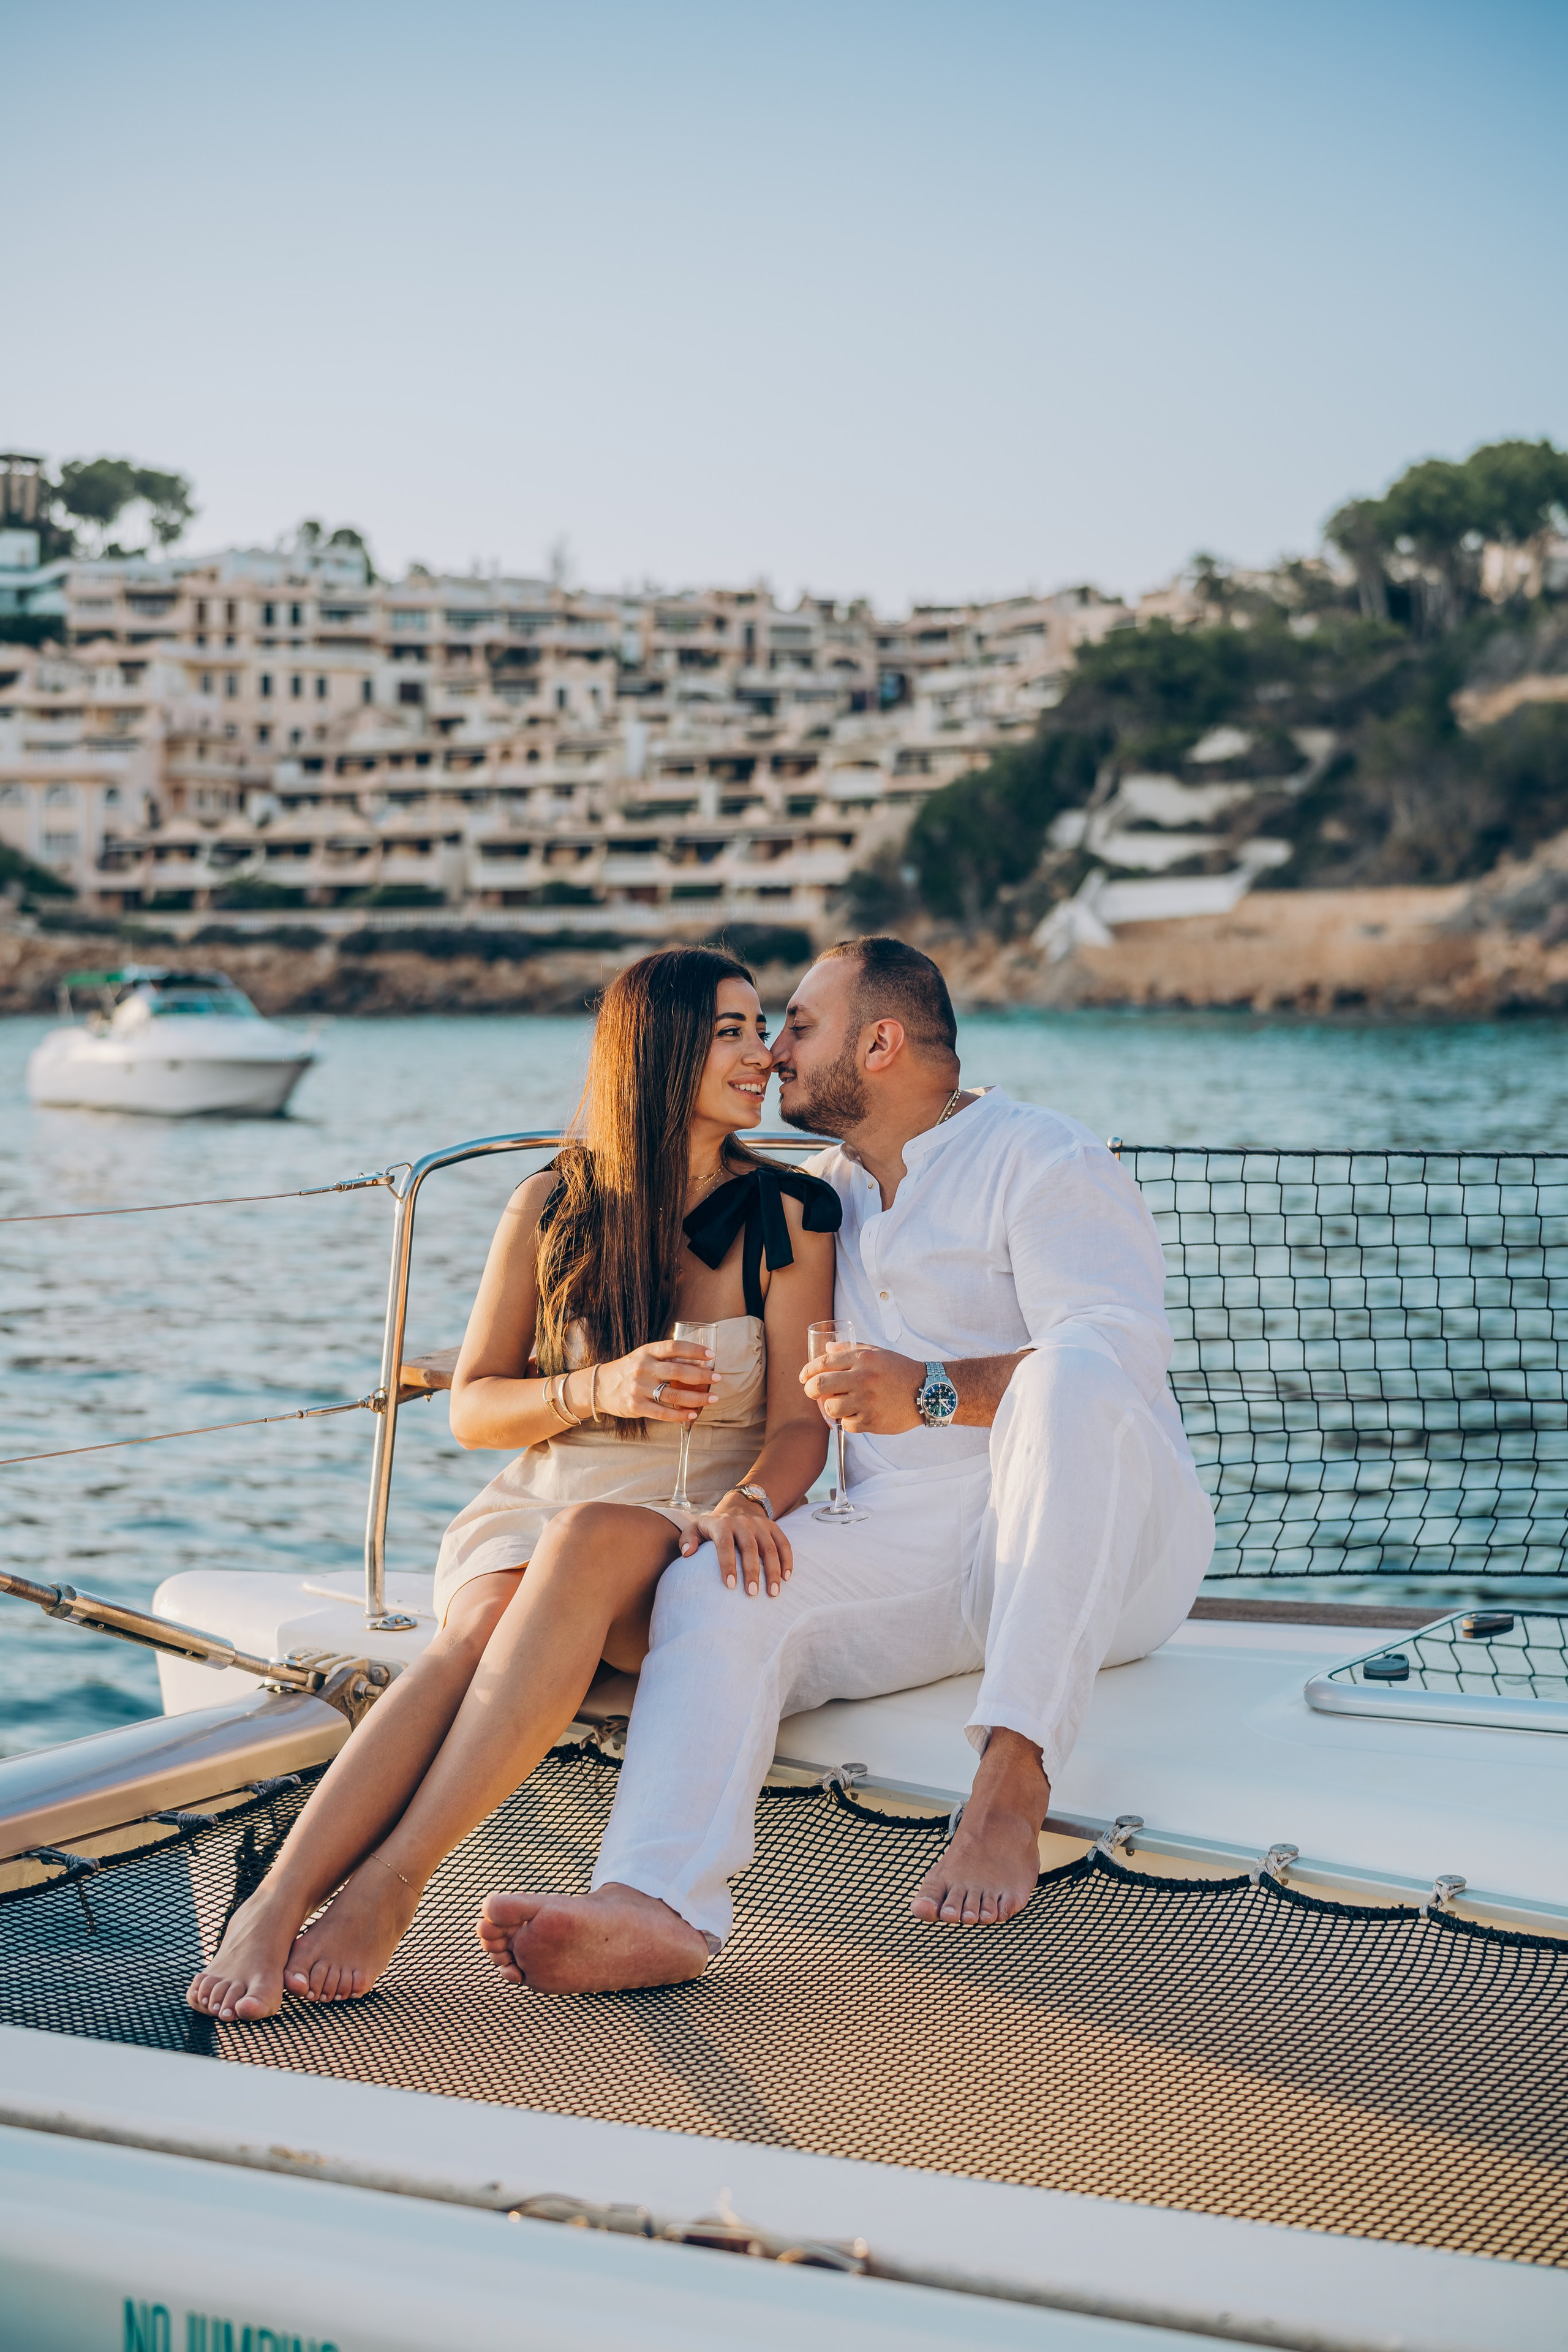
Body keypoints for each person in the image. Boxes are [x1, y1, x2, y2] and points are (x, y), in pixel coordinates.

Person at [475, 935, 1215, 1994]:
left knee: (1070, 1370)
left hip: (1111, 1546)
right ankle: (654, 1904)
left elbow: (1120, 1360)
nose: (774, 1052)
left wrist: (932, 1390)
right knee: (718, 1579)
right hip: (914, 1537)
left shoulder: (1044, 1157)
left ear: (880, 1044)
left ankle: (1012, 1784)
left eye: (798, 1026)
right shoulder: (819, 1199)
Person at [187, 945, 838, 2022]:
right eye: (732, 1032)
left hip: (678, 1527)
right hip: (537, 1502)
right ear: (659, 1050)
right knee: (485, 1614)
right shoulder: (552, 1204)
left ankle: (392, 1886)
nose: (762, 1056)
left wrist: (751, 1502)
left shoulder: (791, 1214)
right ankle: (278, 1901)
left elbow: (801, 1427)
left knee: (576, 1545)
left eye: (762, 1031)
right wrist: (597, 1386)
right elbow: (476, 1409)